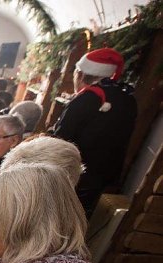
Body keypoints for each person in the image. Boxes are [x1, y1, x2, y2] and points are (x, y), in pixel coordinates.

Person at [53, 47, 137, 218]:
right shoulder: (128, 99)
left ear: (81, 74)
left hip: (75, 176)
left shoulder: (85, 99)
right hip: (104, 177)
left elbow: (60, 140)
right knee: (80, 220)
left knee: (59, 220)